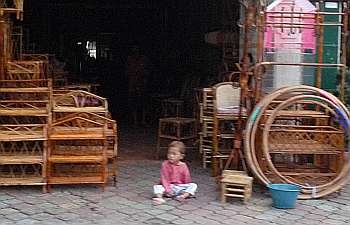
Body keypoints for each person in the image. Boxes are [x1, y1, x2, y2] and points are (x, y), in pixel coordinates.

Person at [126, 45, 150, 126]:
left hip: (142, 83)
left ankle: (143, 120)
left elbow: (147, 71)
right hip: (133, 84)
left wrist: (144, 77)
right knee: (133, 102)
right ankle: (135, 120)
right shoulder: (130, 59)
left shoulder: (144, 59)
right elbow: (127, 71)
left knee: (143, 103)